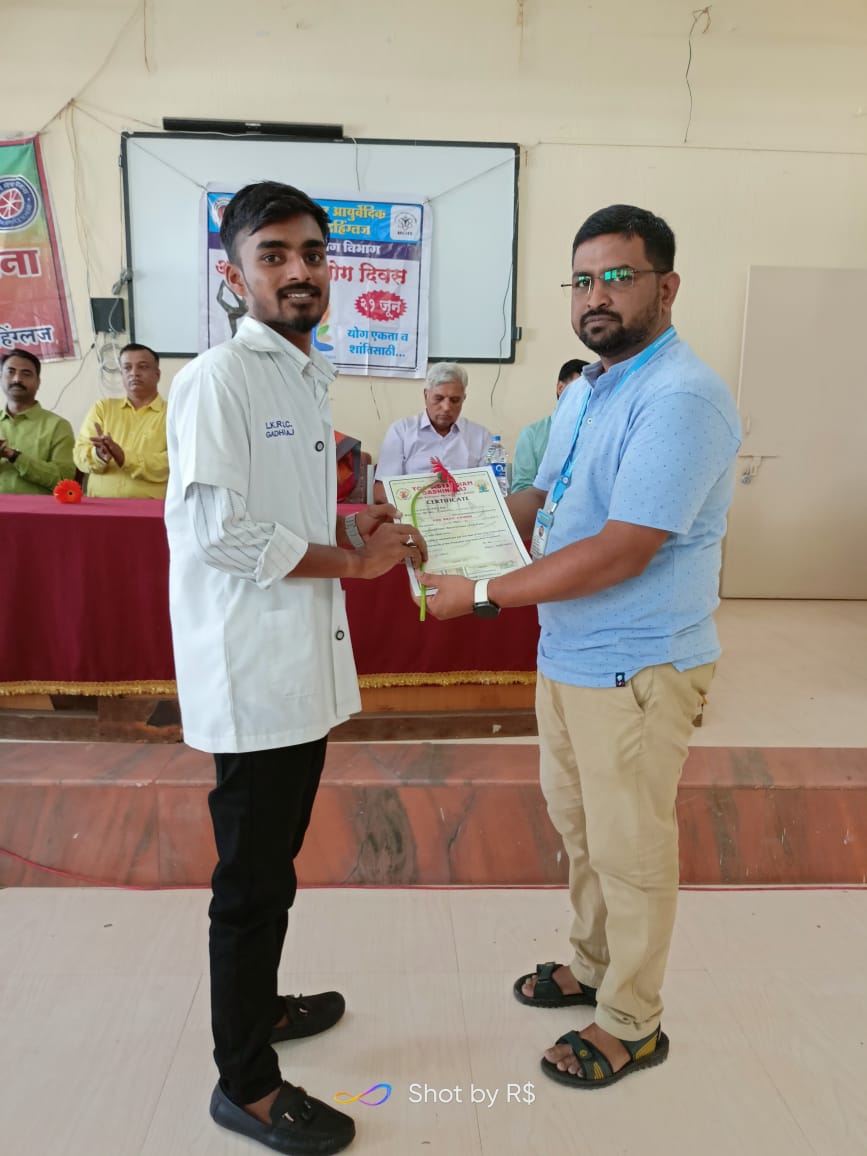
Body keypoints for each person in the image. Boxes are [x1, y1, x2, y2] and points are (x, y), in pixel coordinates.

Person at [418, 205, 741, 1090]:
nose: (596, 295)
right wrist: (444, 527)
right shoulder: (588, 388)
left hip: (637, 663)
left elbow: (622, 548)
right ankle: (594, 965)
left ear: (666, 287)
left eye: (618, 277)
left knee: (629, 849)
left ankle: (633, 1022)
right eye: (583, 279)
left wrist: (481, 592)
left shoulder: (679, 397)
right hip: (568, 653)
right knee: (582, 828)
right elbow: (544, 497)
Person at [164, 180, 427, 1155]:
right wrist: (350, 564)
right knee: (249, 882)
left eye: (312, 253)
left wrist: (349, 526)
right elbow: (218, 532)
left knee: (274, 864)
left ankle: (262, 1006)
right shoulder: (219, 379)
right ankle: (246, 1084)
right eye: (272, 254)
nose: (298, 270)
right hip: (253, 674)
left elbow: (279, 515)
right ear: (235, 274)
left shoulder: (304, 377)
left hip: (300, 671)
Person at [372, 362, 490, 501]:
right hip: (413, 510)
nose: (446, 407)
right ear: (426, 395)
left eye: (454, 400)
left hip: (467, 511)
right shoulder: (401, 431)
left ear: (463, 399)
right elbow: (381, 489)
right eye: (438, 398)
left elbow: (492, 488)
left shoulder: (481, 436)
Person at [73, 343, 168, 498]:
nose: (134, 373)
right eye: (127, 368)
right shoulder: (103, 408)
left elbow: (173, 463)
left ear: (157, 374)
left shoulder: (173, 413)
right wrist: (98, 455)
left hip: (150, 508)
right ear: (122, 374)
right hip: (100, 506)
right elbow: (79, 454)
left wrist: (124, 458)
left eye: (142, 367)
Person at [0, 349, 75, 494]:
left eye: (26, 374)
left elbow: (64, 480)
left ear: (38, 383)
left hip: (38, 508)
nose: (17, 379)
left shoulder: (58, 426)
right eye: (11, 372)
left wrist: (15, 457)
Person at [510, 358, 588, 493]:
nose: (586, 397)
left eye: (590, 391)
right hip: (542, 505)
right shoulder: (532, 435)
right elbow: (521, 488)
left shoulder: (596, 434)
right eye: (580, 390)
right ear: (560, 388)